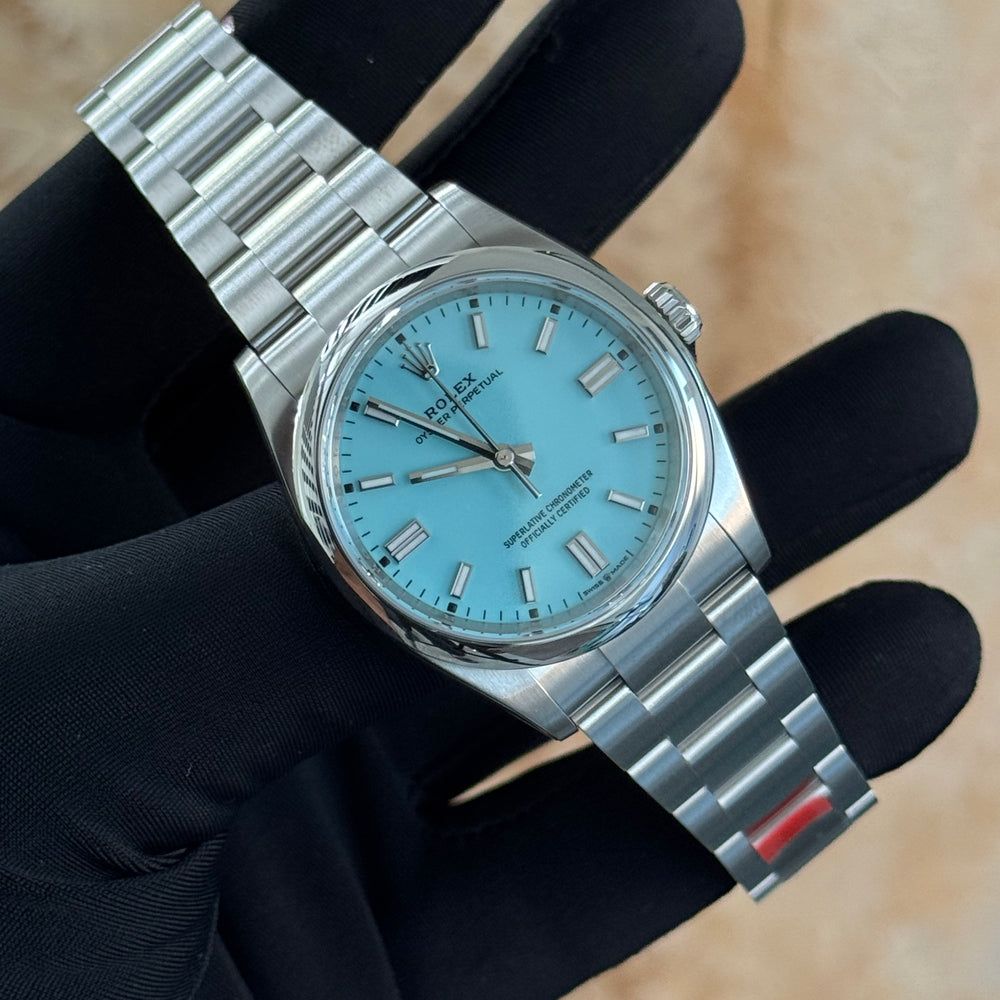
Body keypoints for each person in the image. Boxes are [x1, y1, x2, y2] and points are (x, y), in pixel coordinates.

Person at [0, 1, 980, 997]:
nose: (510, 459)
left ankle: (786, 802)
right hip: (499, 566)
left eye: (510, 451)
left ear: (659, 331)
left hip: (612, 538)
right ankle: (784, 804)